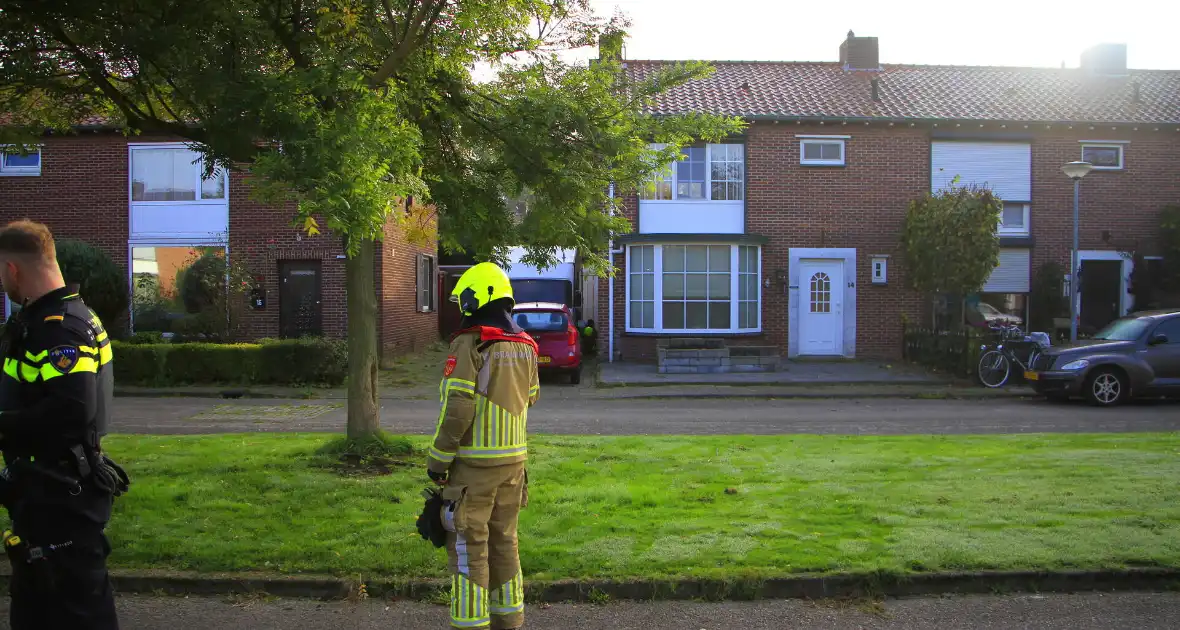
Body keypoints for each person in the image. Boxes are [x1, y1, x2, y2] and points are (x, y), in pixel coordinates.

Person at [0, 220, 127, 629]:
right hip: (46, 493)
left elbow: (72, 412)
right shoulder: (45, 321)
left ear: (11, 269)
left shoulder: (60, 329)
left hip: (60, 496)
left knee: (73, 611)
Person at [428, 262, 539, 630]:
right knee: (505, 542)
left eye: (465, 299)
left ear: (477, 299)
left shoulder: (470, 343)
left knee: (469, 549)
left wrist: (438, 461)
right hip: (514, 465)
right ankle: (511, 621)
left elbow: (458, 408)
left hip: (473, 470)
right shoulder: (526, 345)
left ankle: (471, 624)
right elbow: (532, 396)